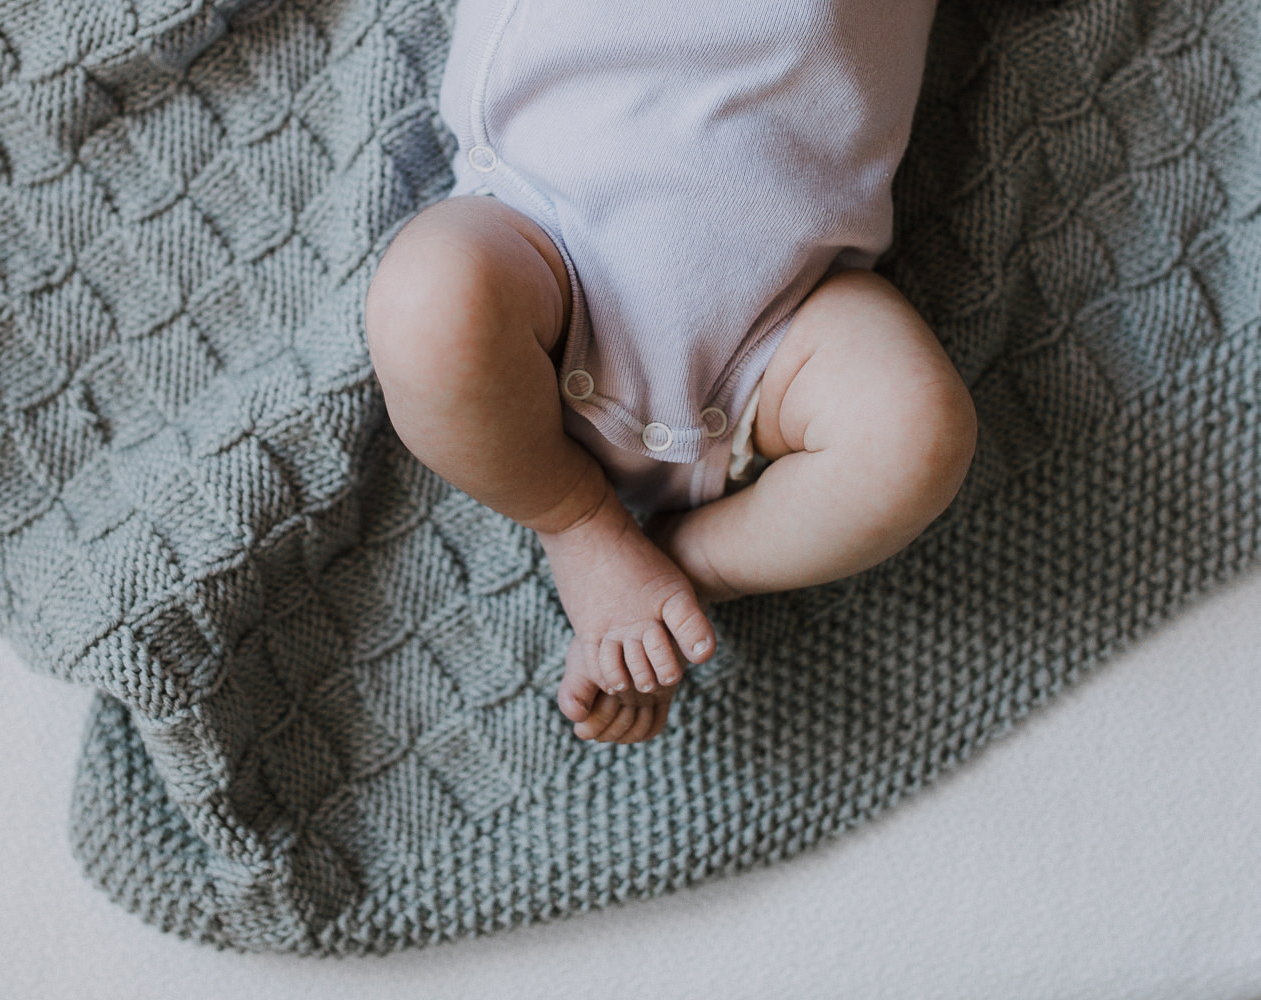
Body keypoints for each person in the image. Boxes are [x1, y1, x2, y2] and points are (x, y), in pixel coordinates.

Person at [364, 0, 976, 744]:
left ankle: (682, 567)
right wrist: (580, 525)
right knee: (430, 303)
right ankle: (579, 524)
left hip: (781, 324)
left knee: (915, 435)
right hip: (550, 246)